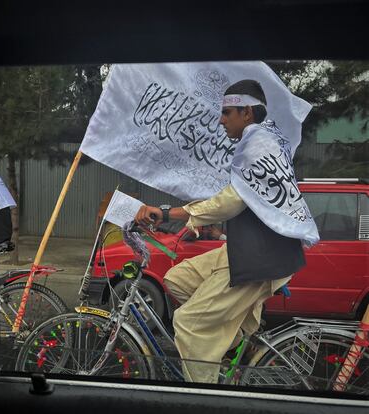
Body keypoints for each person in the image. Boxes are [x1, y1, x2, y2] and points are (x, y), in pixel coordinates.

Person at [135, 79, 319, 383]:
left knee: (189, 322)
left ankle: (205, 396)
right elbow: (247, 202)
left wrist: (171, 213)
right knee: (176, 279)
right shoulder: (260, 140)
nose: (220, 120)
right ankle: (228, 340)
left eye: (226, 113)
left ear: (246, 112)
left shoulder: (260, 144)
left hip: (261, 260)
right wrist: (205, 226)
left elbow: (231, 202)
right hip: (246, 250)